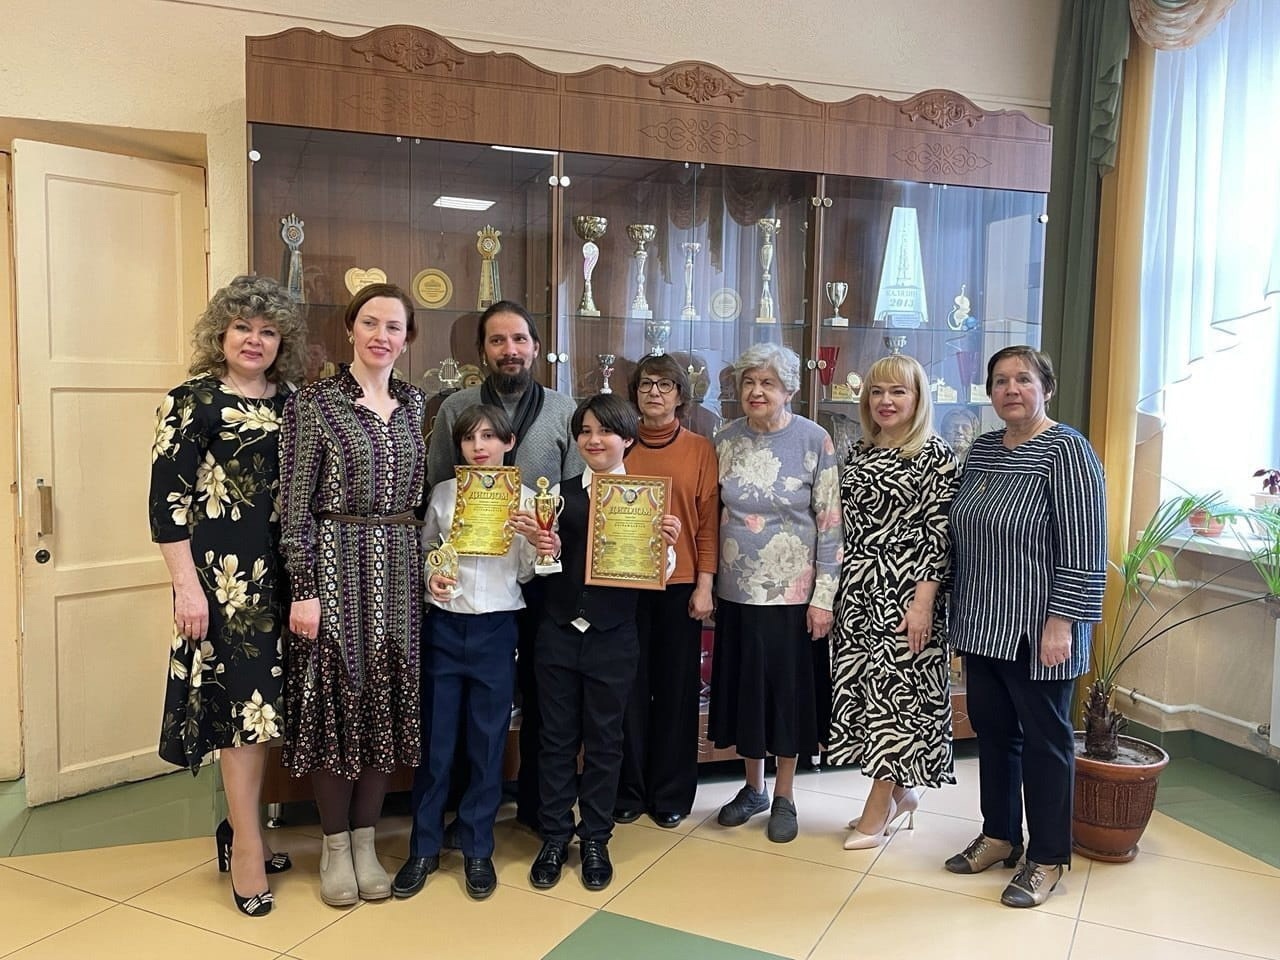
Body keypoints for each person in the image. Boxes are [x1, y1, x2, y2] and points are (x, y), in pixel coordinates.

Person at [149, 274, 308, 917]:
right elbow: (167, 506)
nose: (254, 340)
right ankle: (245, 847)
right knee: (243, 719)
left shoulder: (294, 402)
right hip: (224, 587)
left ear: (282, 342)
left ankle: (248, 829)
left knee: (269, 716)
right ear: (221, 332)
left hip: (288, 581)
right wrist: (186, 589)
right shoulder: (191, 400)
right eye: (243, 327)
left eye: (268, 331)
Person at [279, 283, 428, 908]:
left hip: (401, 573)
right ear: (350, 329)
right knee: (337, 704)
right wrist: (305, 591)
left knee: (386, 705)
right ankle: (335, 847)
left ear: (407, 339)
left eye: (393, 326)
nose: (381, 336)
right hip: (335, 568)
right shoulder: (314, 403)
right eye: (370, 322)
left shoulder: (417, 403)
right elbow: (294, 507)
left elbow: (422, 499)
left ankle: (367, 843)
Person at [944, 345, 1105, 908]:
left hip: (1040, 629)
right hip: (982, 623)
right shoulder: (984, 448)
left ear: (1046, 388)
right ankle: (1000, 835)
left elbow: (1084, 546)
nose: (1010, 389)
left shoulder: (1068, 451)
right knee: (994, 735)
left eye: (1023, 379)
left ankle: (1048, 857)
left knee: (1045, 743)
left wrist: (1062, 623)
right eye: (1000, 381)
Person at [427, 300, 582, 833]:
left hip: (541, 572)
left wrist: (546, 542)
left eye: (519, 339)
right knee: (465, 706)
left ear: (536, 347)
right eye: (497, 340)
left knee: (543, 694)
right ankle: (461, 814)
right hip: (472, 582)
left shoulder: (562, 409)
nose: (509, 350)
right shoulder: (457, 407)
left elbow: (575, 496)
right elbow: (441, 485)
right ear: (482, 351)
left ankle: (540, 807)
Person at [528, 394, 680, 892]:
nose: (594, 440)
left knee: (605, 740)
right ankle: (555, 835)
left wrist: (665, 546)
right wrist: (542, 548)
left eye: (605, 431)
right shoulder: (555, 496)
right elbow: (535, 571)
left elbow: (659, 575)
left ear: (627, 438)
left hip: (614, 637)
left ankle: (596, 836)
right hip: (557, 632)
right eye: (585, 431)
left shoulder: (646, 499)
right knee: (555, 740)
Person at [394, 405, 541, 901]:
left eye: (490, 437)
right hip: (445, 626)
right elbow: (425, 553)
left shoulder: (526, 499)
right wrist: (431, 579)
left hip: (497, 629)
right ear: (458, 446)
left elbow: (527, 573)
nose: (480, 447)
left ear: (509, 442)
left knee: (487, 743)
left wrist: (532, 538)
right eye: (469, 438)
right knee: (436, 745)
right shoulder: (443, 494)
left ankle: (478, 847)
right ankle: (424, 847)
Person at [708, 343, 842, 843]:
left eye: (768, 383)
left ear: (789, 390)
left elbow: (830, 523)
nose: (756, 391)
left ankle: (785, 793)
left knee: (787, 696)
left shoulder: (814, 439)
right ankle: (753, 787)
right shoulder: (724, 439)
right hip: (736, 593)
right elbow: (712, 513)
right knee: (747, 693)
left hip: (794, 596)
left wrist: (823, 597)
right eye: (748, 382)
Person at [827, 355, 959, 850]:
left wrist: (922, 604)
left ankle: (879, 805)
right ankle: (902, 793)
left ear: (918, 398)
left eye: (898, 391)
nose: (885, 401)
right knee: (866, 694)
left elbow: (939, 535)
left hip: (905, 593)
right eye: (877, 391)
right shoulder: (863, 449)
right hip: (859, 589)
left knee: (895, 698)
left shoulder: (934, 454)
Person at [614, 354, 719, 828]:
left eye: (665, 385)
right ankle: (629, 789)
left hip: (680, 587)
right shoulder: (619, 446)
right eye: (645, 384)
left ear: (680, 394)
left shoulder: (700, 449)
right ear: (634, 393)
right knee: (628, 690)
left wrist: (705, 585)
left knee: (676, 693)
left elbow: (708, 524)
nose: (654, 392)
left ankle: (671, 792)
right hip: (625, 585)